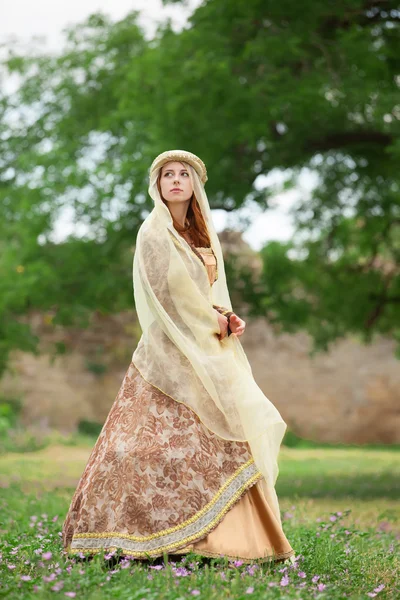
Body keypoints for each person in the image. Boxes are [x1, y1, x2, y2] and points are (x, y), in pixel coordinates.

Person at [62, 149, 295, 565]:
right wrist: (211, 321)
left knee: (225, 439)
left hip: (206, 346)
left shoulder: (202, 233)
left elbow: (206, 294)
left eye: (182, 174)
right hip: (167, 351)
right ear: (158, 185)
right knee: (143, 448)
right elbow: (164, 296)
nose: (174, 180)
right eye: (166, 174)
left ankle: (225, 543)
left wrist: (225, 316)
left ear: (194, 184)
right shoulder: (154, 232)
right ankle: (138, 538)